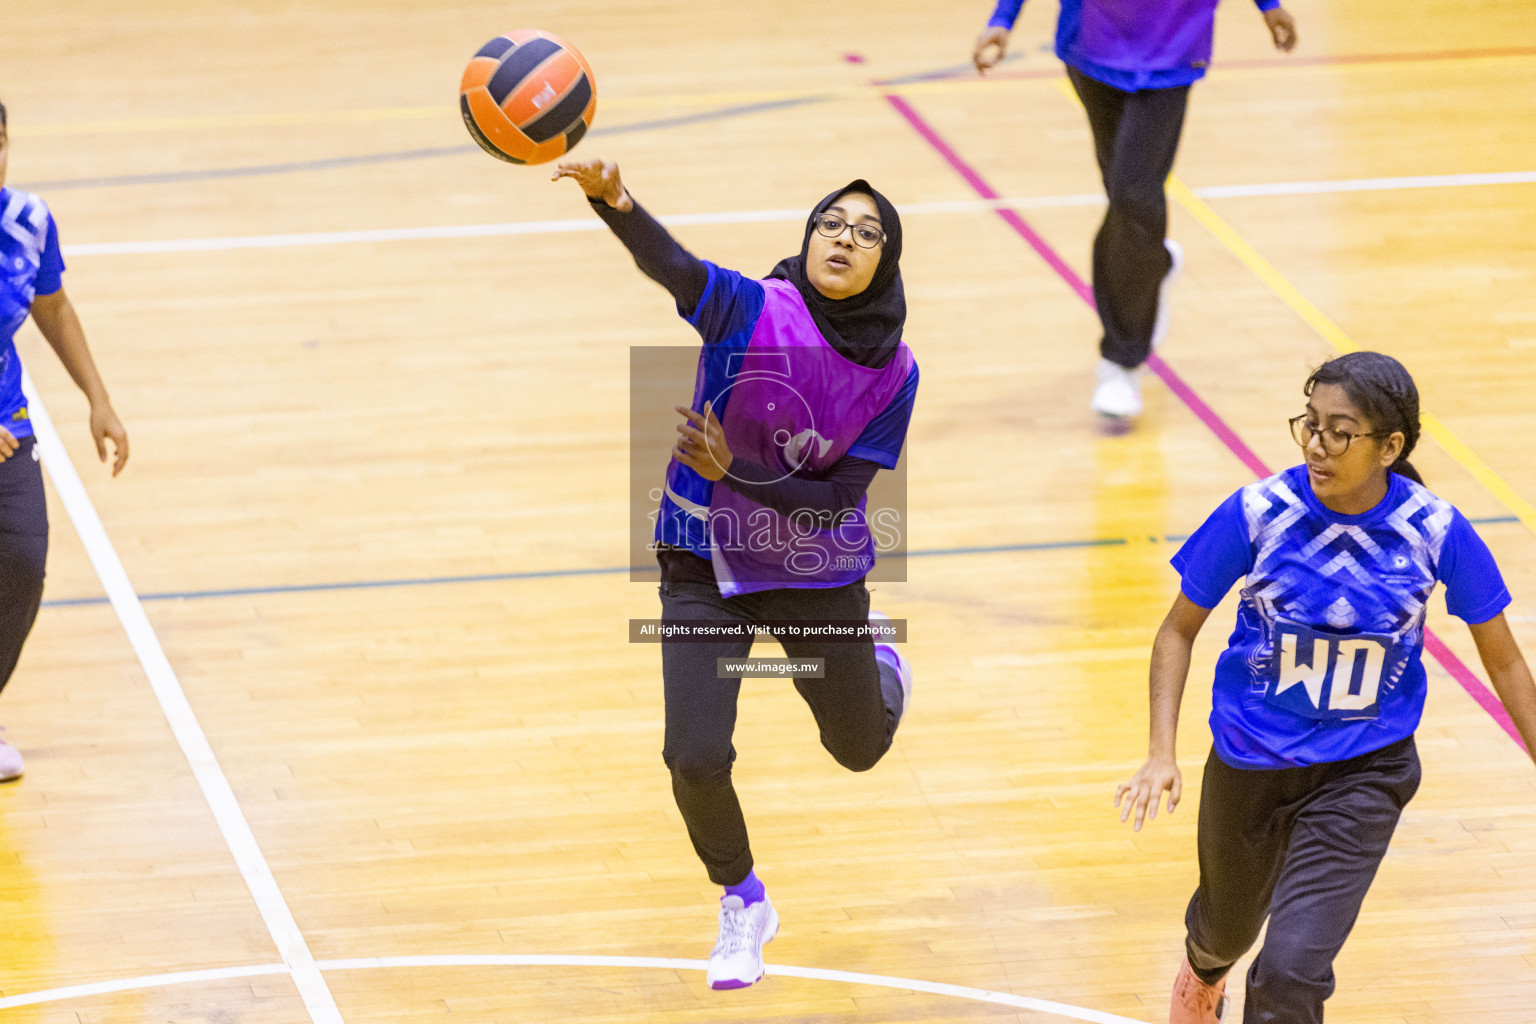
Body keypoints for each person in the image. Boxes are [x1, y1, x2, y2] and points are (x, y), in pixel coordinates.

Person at [553, 158, 918, 990]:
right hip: (699, 559)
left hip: (811, 569)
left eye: (867, 233)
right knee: (693, 755)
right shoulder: (749, 307)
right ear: (808, 235)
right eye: (832, 222)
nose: (844, 238)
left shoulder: (895, 372)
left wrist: (733, 469)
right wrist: (617, 201)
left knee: (858, 750)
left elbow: (833, 505)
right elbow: (675, 269)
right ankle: (743, 899)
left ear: (884, 263)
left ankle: (882, 671)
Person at [1113, 351, 1536, 1022]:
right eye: (1310, 424)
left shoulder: (1434, 531)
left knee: (1288, 974)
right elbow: (1175, 632)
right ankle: (1203, 972)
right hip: (1250, 761)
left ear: (1390, 447)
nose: (1317, 443)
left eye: (1340, 431)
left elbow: (1507, 663)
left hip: (1363, 772)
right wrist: (1160, 751)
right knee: (1225, 931)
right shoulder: (1258, 513)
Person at [973, 0, 1298, 423]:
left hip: (1174, 45)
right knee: (1127, 202)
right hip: (1092, 46)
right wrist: (1003, 19)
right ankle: (1153, 264)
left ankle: (1121, 360)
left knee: (1134, 196)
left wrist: (1269, 7)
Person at [0, 99, 130, 781]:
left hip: (8, 427)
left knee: (21, 562)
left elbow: (51, 305)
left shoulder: (27, 223)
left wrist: (97, 400)